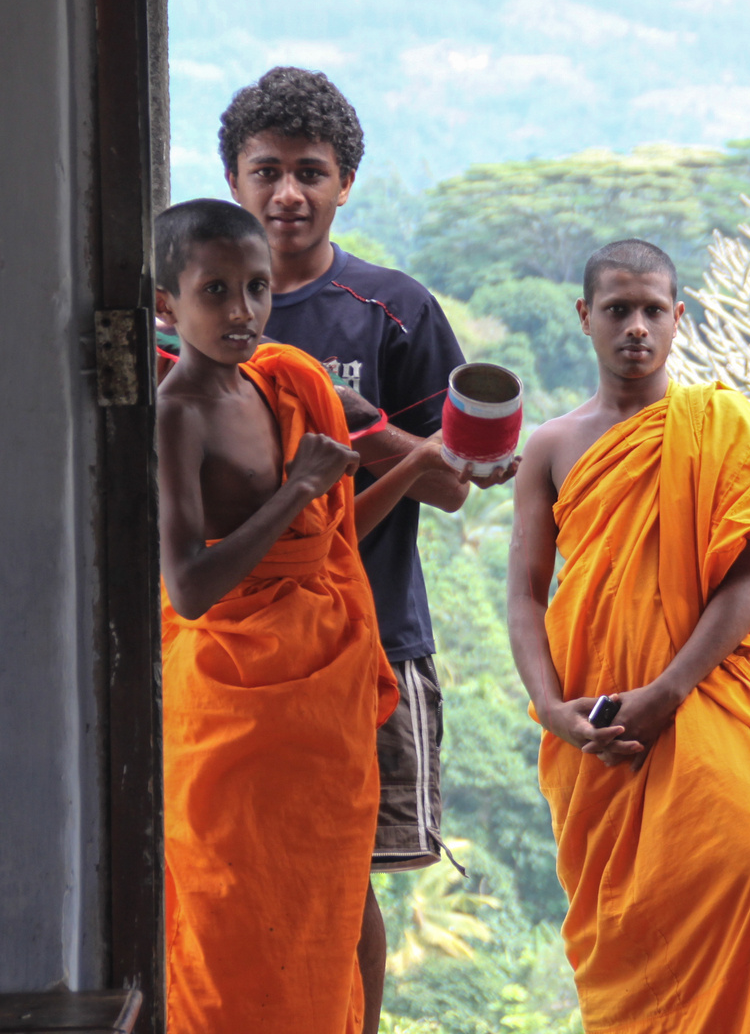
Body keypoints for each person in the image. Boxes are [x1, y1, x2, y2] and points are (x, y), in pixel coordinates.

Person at [218, 66, 515, 1031]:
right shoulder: (199, 315)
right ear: (235, 180)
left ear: (347, 183)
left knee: (350, 886)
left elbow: (452, 482)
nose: (287, 194)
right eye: (266, 171)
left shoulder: (390, 310)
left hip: (371, 643)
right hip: (229, 652)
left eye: (311, 171)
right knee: (232, 873)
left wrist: (349, 425)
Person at [507, 239, 750, 1033]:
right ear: (584, 318)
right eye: (617, 310)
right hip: (599, 731)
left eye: (653, 310)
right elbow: (526, 596)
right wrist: (550, 709)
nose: (636, 327)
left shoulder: (718, 423)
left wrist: (668, 691)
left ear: (678, 319)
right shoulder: (553, 448)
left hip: (710, 697)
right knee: (633, 923)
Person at [155, 199, 443, 1033]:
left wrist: (419, 462)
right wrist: (299, 490)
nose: (241, 312)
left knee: (328, 906)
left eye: (255, 288)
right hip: (234, 707)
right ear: (169, 305)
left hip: (319, 710)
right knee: (229, 916)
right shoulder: (180, 413)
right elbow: (191, 588)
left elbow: (329, 542)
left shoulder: (282, 383)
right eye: (215, 291)